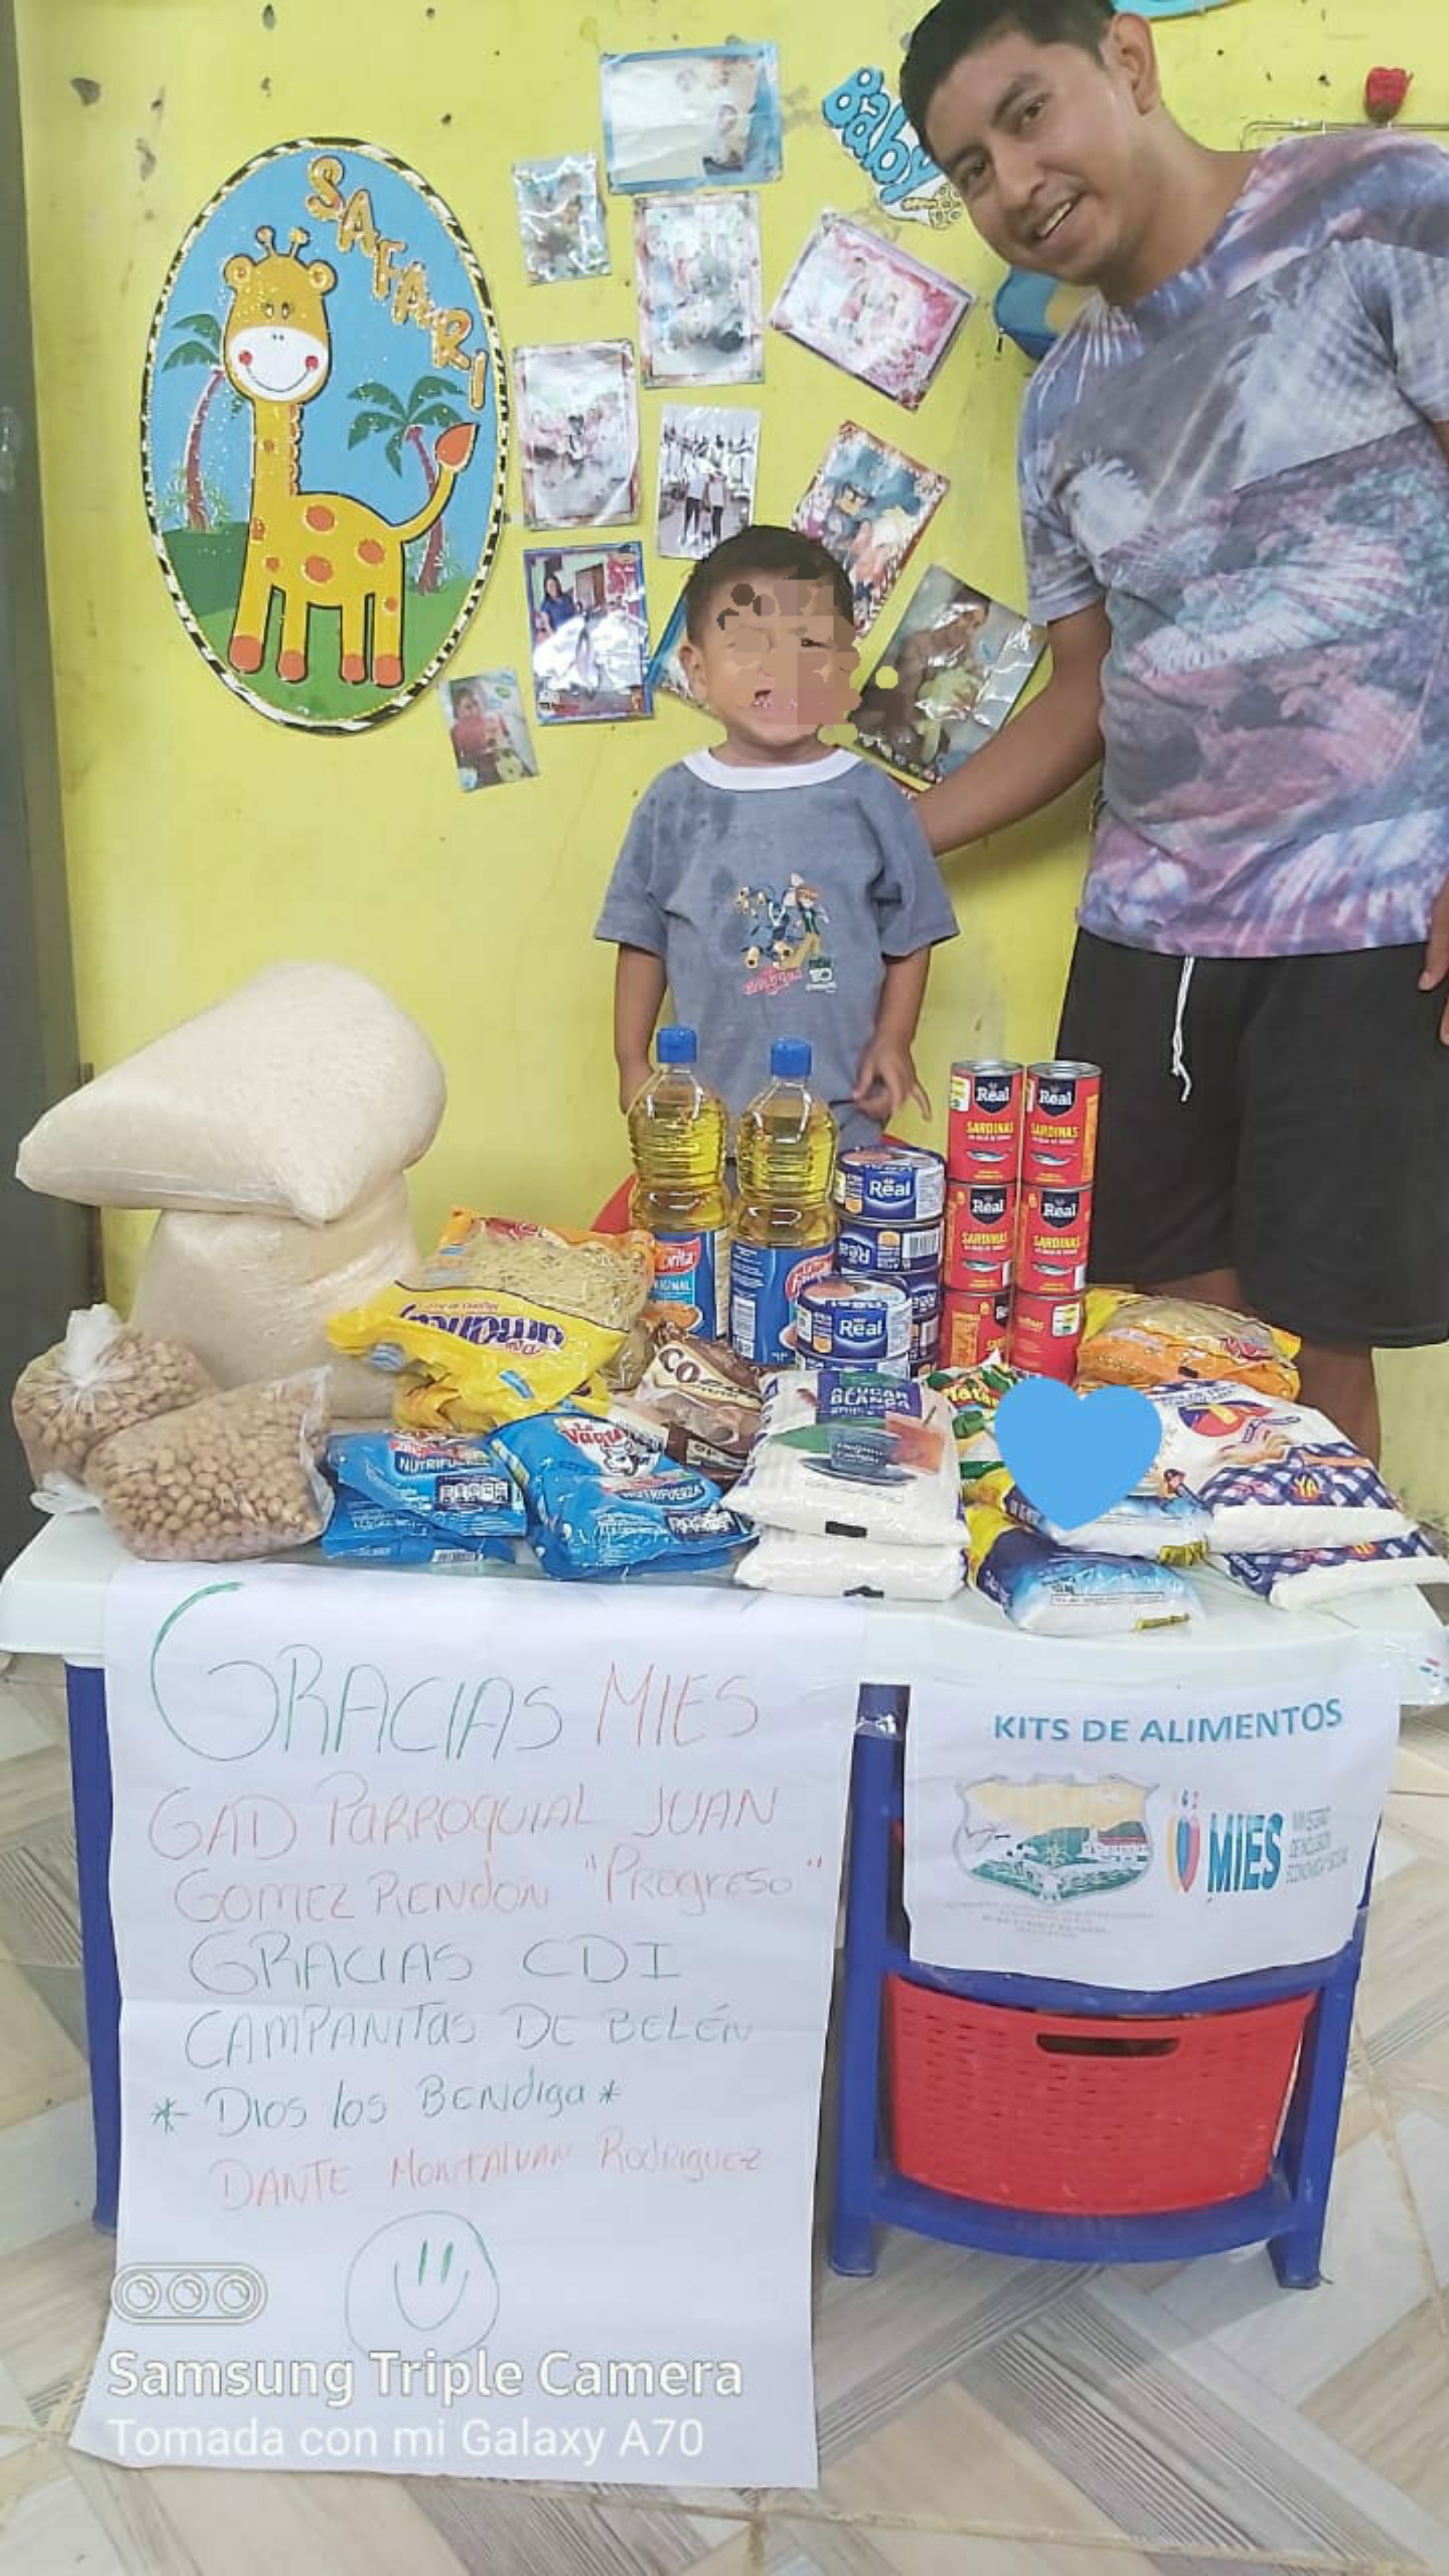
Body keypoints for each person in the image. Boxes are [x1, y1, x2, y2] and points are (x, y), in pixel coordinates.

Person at [900, 0, 1449, 1461]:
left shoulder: (1377, 206)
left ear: (1129, 63)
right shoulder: (1059, 408)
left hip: (1367, 912)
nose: (1011, 185)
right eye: (968, 168)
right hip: (1150, 933)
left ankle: (1334, 1597)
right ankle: (1180, 1602)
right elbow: (1083, 689)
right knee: (1167, 1348)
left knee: (1314, 1355)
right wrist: (877, 835)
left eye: (1026, 114)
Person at [595, 524, 958, 1145]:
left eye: (809, 643)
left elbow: (911, 933)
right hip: (704, 1127)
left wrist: (895, 1040)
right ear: (698, 669)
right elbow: (642, 940)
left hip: (843, 1123)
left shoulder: (870, 798)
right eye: (748, 644)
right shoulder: (673, 802)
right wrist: (631, 1060)